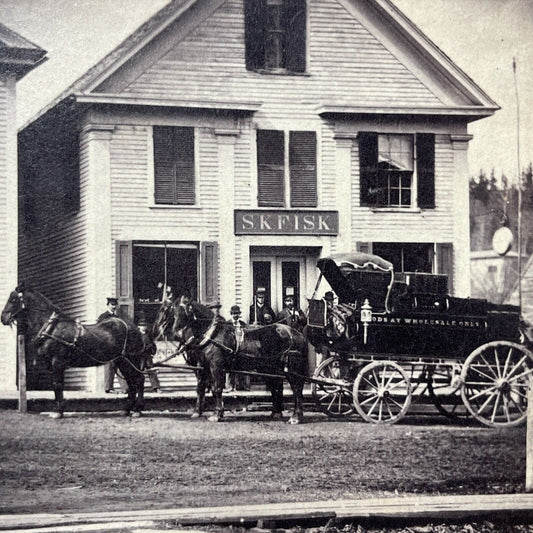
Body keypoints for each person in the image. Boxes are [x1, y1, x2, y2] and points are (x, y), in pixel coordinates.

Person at [99, 297, 128, 394]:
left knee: (121, 365)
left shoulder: (118, 318)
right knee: (110, 365)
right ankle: (108, 388)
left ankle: (125, 388)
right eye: (112, 305)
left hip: (117, 345)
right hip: (107, 345)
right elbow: (99, 331)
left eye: (115, 305)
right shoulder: (103, 317)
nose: (114, 306)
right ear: (108, 305)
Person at [224, 305, 249, 392]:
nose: (235, 315)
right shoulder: (227, 324)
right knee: (230, 368)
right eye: (234, 314)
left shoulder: (242, 324)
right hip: (230, 349)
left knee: (241, 367)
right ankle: (229, 386)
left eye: (237, 313)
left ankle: (242, 386)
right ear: (231, 314)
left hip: (241, 349)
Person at [138, 317, 160, 393]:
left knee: (152, 371)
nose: (144, 327)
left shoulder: (149, 335)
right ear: (139, 326)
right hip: (139, 357)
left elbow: (153, 345)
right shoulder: (136, 335)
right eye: (142, 325)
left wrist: (152, 352)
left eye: (145, 325)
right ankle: (138, 389)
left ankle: (156, 388)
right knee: (139, 372)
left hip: (147, 357)